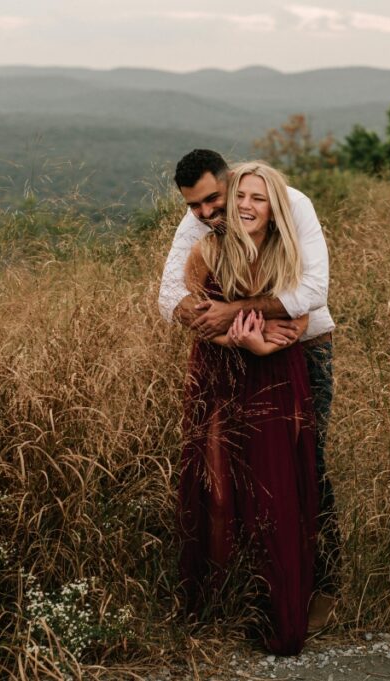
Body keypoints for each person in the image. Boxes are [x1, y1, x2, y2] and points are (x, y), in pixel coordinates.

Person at [159, 150, 340, 632]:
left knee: (305, 466)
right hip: (228, 356)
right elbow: (169, 297)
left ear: (230, 180)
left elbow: (311, 294)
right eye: (195, 205)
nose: (206, 214)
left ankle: (319, 589)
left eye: (211, 200)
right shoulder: (202, 225)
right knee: (224, 476)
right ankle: (235, 589)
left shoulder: (288, 204)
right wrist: (229, 330)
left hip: (302, 349)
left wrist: (238, 314)